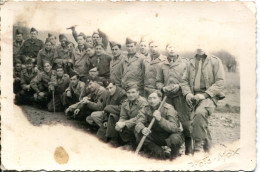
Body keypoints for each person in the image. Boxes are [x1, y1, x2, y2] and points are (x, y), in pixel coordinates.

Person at [180, 47, 225, 152]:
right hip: (193, 97)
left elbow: (220, 82)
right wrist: (187, 94)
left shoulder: (215, 61)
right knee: (200, 123)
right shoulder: (190, 62)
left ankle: (198, 147)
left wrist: (204, 95)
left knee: (200, 114)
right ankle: (209, 152)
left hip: (209, 96)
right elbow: (184, 81)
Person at [156, 43, 191, 154]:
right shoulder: (162, 65)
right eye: (170, 47)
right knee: (168, 122)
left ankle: (189, 149)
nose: (172, 49)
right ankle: (173, 149)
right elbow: (158, 82)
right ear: (166, 49)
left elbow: (189, 80)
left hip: (181, 96)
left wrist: (179, 86)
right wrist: (163, 88)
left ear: (178, 48)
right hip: (167, 98)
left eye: (174, 46)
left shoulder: (185, 63)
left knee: (186, 123)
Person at [135, 91, 184, 159]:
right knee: (139, 134)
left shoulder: (169, 108)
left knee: (175, 138)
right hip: (156, 135)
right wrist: (143, 129)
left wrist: (160, 119)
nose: (152, 101)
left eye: (154, 98)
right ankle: (161, 154)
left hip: (169, 135)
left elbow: (174, 128)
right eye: (150, 98)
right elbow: (139, 122)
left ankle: (174, 156)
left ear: (160, 99)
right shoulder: (145, 108)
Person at [87, 79, 127, 144]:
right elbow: (105, 108)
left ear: (115, 86)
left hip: (119, 116)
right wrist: (105, 120)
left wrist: (108, 108)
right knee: (94, 116)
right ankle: (107, 131)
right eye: (107, 88)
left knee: (111, 116)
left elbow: (122, 109)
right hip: (109, 115)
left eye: (111, 88)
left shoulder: (122, 94)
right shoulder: (107, 93)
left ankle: (114, 137)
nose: (109, 90)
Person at [115, 84, 147, 150]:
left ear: (138, 92)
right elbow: (123, 116)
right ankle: (129, 144)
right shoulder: (125, 103)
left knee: (137, 128)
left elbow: (140, 117)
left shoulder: (143, 102)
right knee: (119, 125)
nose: (131, 95)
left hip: (142, 123)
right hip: (131, 124)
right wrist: (120, 123)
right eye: (128, 93)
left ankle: (138, 147)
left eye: (133, 92)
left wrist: (124, 123)